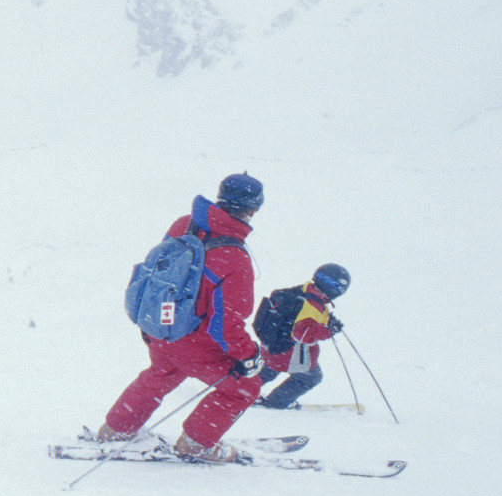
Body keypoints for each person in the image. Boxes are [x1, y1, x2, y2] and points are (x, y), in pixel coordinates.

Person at [96, 174, 269, 463]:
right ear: (253, 209)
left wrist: (152, 322)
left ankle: (115, 430)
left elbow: (155, 274)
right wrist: (249, 355)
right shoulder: (234, 259)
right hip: (196, 345)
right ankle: (196, 443)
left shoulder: (183, 225)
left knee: (162, 372)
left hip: (161, 329)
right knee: (244, 388)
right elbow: (227, 327)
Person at [254, 264, 350, 410]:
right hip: (287, 354)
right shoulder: (312, 305)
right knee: (311, 377)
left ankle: (243, 392)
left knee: (270, 369)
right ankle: (276, 403)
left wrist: (326, 320)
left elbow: (298, 317)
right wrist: (328, 330)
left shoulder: (302, 291)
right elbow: (304, 334)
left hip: (272, 347)